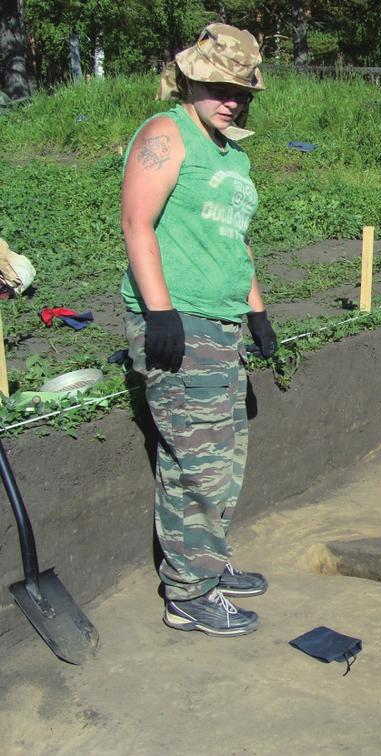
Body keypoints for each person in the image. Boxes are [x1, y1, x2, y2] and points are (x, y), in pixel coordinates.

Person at [120, 23, 278, 636]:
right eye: (217, 86)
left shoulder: (231, 152)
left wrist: (257, 309)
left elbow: (231, 239)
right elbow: (138, 224)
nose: (230, 98)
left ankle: (206, 563)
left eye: (240, 90)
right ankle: (189, 594)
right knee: (196, 461)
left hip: (223, 322)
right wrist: (160, 314)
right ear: (190, 77)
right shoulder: (167, 134)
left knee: (222, 455)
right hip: (180, 319)